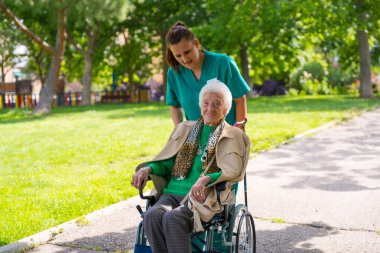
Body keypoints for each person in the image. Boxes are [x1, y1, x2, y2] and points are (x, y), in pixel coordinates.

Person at [132, 79, 250, 253]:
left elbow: (233, 170)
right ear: (200, 105)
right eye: (206, 103)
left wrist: (206, 179)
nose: (210, 108)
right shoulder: (185, 128)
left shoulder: (234, 135)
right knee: (152, 216)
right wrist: (147, 169)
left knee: (173, 218)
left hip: (203, 197)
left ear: (226, 109)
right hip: (172, 193)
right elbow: (167, 161)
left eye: (217, 104)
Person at [165, 21, 250, 130]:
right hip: (196, 139)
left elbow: (240, 99)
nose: (184, 59)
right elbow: (175, 106)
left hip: (228, 135)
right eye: (178, 56)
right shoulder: (174, 73)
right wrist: (180, 132)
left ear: (196, 43)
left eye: (187, 52)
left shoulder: (223, 63)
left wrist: (240, 129)